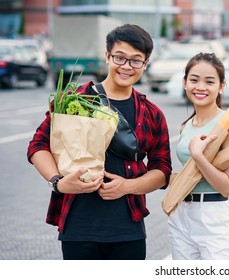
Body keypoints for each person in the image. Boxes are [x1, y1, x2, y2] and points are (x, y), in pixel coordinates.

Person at [27, 24, 172, 260]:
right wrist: (58, 183)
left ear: (145, 65)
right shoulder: (74, 99)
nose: (126, 66)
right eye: (120, 57)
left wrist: (127, 186)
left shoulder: (151, 113)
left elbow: (162, 170)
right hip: (78, 226)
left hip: (128, 230)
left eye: (136, 60)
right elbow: (38, 145)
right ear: (107, 56)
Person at [167, 52, 229, 260]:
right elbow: (186, 173)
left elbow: (226, 186)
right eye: (194, 80)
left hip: (212, 216)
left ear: (221, 87)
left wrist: (199, 157)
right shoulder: (187, 125)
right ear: (184, 83)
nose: (200, 87)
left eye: (209, 82)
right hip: (181, 212)